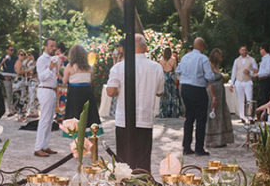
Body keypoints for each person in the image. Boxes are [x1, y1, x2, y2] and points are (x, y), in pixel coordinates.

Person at [106, 34, 164, 171]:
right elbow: (160, 92)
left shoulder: (119, 67)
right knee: (143, 160)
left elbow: (110, 91)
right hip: (145, 118)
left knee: (124, 160)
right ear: (145, 47)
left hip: (124, 119)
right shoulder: (156, 67)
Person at [176, 37, 216, 156]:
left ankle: (186, 147)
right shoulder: (203, 58)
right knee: (200, 119)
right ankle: (199, 148)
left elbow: (177, 72)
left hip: (185, 88)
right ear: (202, 47)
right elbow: (209, 77)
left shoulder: (185, 57)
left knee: (189, 118)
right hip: (198, 89)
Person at [33, 38, 60, 157]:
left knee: (49, 121)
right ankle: (38, 147)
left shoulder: (53, 59)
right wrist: (50, 67)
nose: (53, 48)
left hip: (52, 90)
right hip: (44, 90)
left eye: (54, 46)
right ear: (45, 47)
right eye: (51, 46)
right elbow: (42, 77)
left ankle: (45, 146)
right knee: (44, 119)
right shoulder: (41, 60)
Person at [63, 44, 100, 126]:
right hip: (87, 92)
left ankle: (75, 131)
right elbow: (92, 79)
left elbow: (64, 81)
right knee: (88, 114)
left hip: (74, 93)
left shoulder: (70, 66)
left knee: (75, 114)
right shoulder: (88, 67)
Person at [205, 48, 233, 147]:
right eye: (220, 56)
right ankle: (211, 140)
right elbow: (209, 82)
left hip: (221, 94)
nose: (222, 58)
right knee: (213, 115)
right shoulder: (209, 66)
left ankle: (221, 139)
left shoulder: (217, 67)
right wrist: (213, 96)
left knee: (221, 114)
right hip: (213, 93)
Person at [230, 45, 258, 120]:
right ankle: (242, 116)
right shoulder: (236, 60)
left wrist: (250, 73)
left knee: (249, 99)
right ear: (239, 51)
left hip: (248, 81)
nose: (244, 51)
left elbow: (256, 72)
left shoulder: (252, 60)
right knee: (240, 100)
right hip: (239, 82)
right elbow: (234, 72)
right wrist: (232, 83)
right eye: (242, 50)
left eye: (245, 50)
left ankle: (250, 117)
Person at [158, 47, 182, 118]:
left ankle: (164, 112)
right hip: (171, 77)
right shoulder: (173, 60)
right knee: (173, 95)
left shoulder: (161, 60)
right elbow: (175, 70)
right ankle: (173, 112)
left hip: (164, 77)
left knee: (165, 96)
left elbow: (160, 71)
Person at [0, 45, 18, 116]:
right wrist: (3, 61)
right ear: (7, 50)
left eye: (13, 50)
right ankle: (10, 110)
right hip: (6, 78)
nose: (12, 51)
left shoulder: (15, 58)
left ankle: (15, 108)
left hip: (14, 77)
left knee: (15, 94)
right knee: (8, 93)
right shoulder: (3, 57)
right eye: (10, 50)